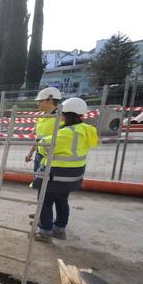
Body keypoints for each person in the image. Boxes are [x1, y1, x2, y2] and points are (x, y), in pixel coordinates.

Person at [32, 97, 99, 243]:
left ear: (65, 114)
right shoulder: (87, 130)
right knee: (62, 201)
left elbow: (43, 146)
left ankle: (45, 232)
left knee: (44, 201)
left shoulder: (66, 133)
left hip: (56, 175)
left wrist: (41, 142)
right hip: (74, 176)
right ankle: (59, 230)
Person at [25, 87, 63, 172]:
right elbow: (38, 137)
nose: (38, 104)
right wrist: (31, 152)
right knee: (38, 179)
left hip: (53, 157)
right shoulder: (41, 117)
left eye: (41, 101)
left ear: (50, 100)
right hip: (40, 154)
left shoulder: (61, 117)